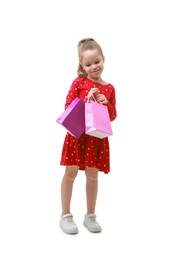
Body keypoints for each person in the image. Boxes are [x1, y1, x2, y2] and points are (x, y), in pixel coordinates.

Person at [59, 38, 117, 234]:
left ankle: (90, 216)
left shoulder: (109, 88)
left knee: (92, 176)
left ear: (103, 59)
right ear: (82, 65)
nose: (94, 67)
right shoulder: (79, 82)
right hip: (77, 136)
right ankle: (65, 215)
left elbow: (112, 116)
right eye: (88, 64)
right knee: (70, 174)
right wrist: (85, 99)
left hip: (96, 138)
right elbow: (67, 107)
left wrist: (105, 103)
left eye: (97, 61)